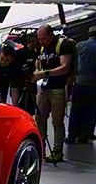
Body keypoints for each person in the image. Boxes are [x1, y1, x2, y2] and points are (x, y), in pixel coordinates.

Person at [31, 24, 76, 163]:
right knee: (39, 118)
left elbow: (65, 67)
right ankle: (41, 147)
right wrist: (36, 71)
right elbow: (38, 63)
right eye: (39, 39)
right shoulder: (43, 47)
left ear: (50, 35)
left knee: (57, 122)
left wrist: (44, 73)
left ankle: (57, 151)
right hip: (44, 88)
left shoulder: (63, 45)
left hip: (59, 88)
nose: (41, 41)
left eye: (43, 38)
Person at [66, 26, 96, 144]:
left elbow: (75, 62)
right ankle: (86, 135)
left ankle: (72, 135)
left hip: (80, 83)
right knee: (91, 110)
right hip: (95, 85)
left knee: (76, 109)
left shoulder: (79, 45)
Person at [13, 32, 42, 116]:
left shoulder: (37, 53)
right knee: (20, 110)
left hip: (31, 82)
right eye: (37, 41)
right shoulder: (19, 53)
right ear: (32, 41)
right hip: (19, 84)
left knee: (31, 111)